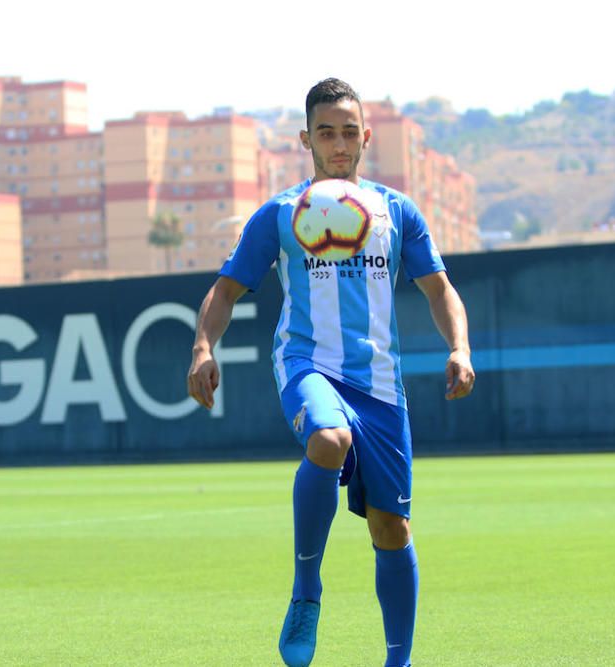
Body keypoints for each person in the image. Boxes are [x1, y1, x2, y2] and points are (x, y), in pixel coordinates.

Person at [186, 78, 475, 667]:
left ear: (365, 136)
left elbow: (440, 289)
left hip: (381, 387)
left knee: (391, 528)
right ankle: (306, 590)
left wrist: (461, 347)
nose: (339, 144)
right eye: (326, 133)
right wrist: (201, 348)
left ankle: (399, 661)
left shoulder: (397, 211)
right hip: (306, 364)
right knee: (328, 437)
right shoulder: (280, 214)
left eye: (348, 132)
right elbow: (226, 289)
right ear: (305, 139)